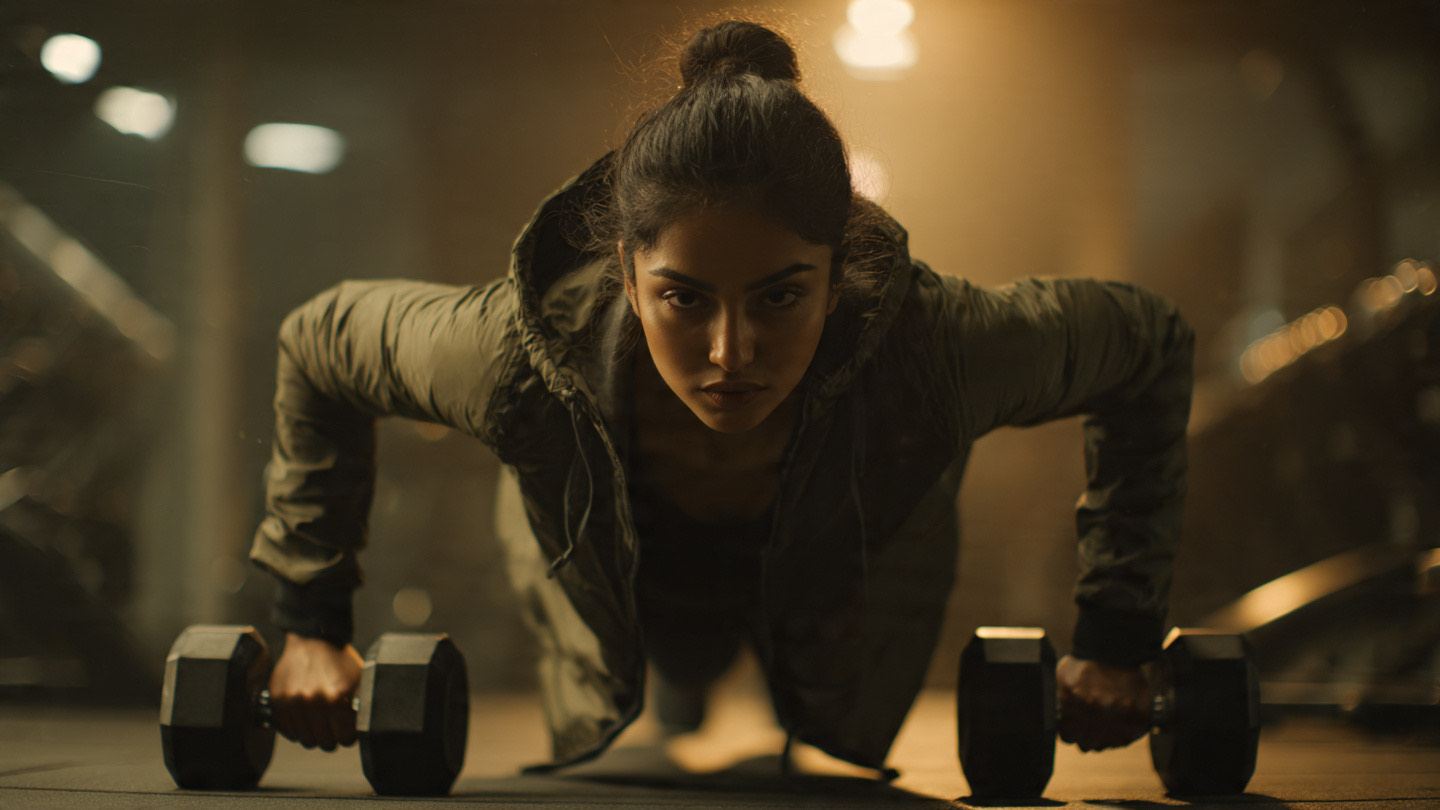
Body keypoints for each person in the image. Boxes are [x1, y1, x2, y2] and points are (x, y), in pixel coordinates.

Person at [249, 20, 1193, 777]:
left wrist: (1116, 631)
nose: (729, 354)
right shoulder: (515, 355)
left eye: (780, 298)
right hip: (618, 589)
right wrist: (310, 626)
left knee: (767, 697)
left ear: (838, 276)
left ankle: (725, 691)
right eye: (684, 299)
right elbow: (320, 345)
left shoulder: (934, 349)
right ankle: (680, 689)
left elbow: (1146, 347)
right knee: (681, 682)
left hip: (834, 598)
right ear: (628, 276)